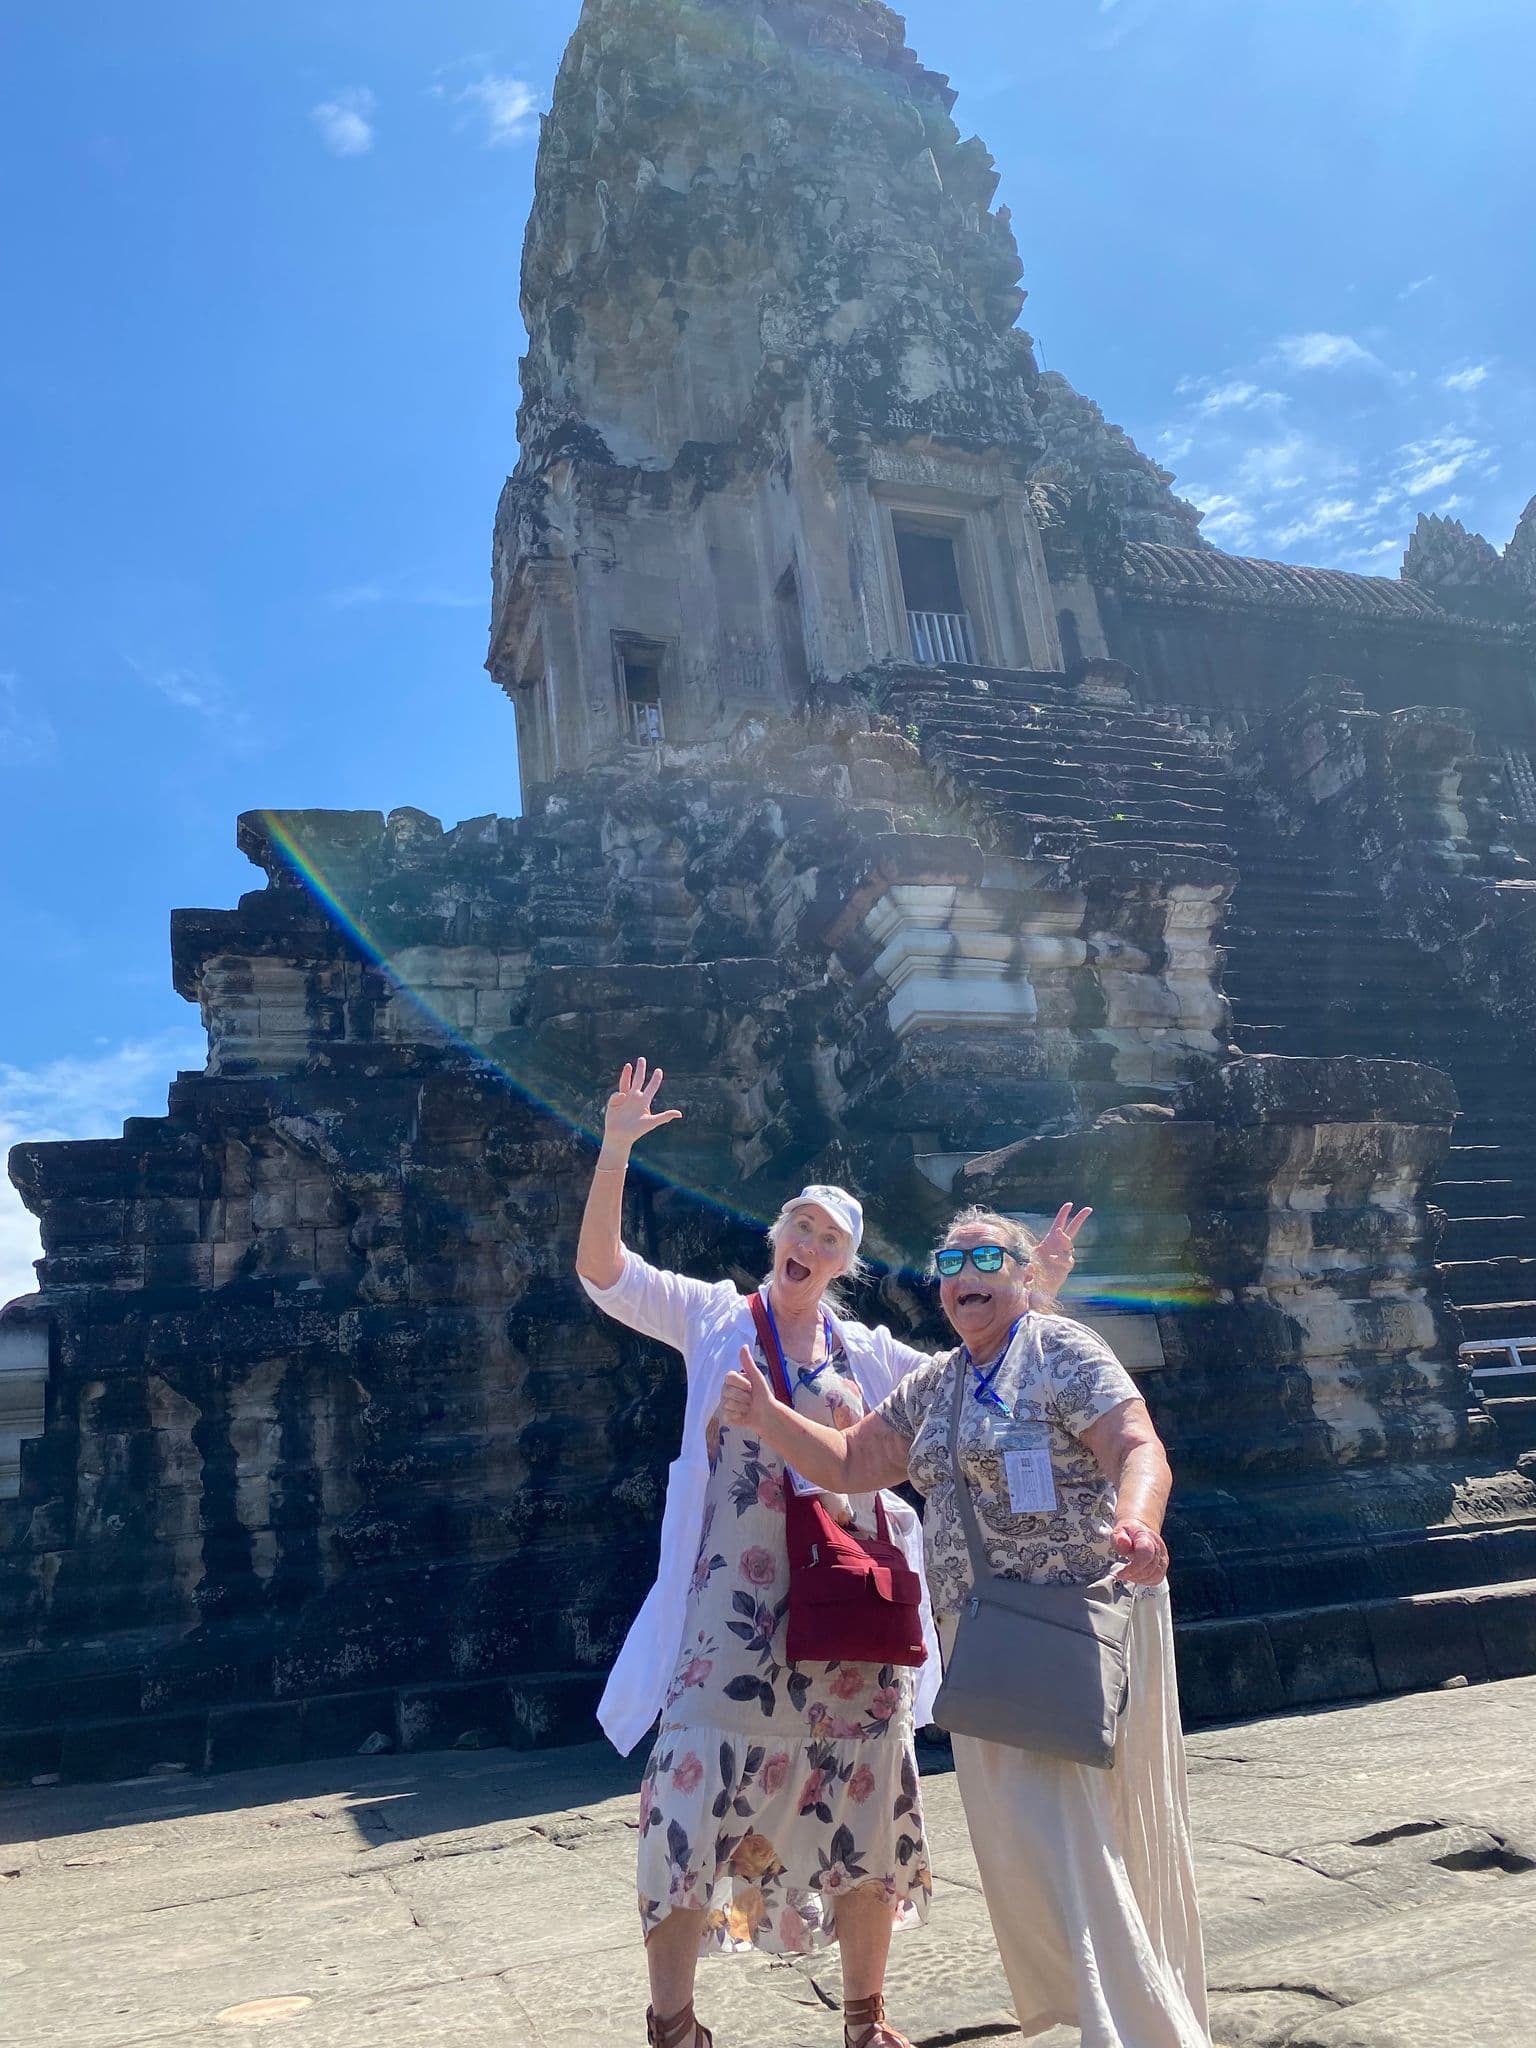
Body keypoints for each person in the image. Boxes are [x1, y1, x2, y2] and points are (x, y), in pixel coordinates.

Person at [576, 1060, 1085, 2048]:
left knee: (866, 1801)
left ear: (845, 1262)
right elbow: (606, 1271)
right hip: (731, 1617)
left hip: (848, 1615)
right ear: (778, 1238)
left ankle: (864, 2016)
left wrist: (1037, 1285)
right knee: (688, 1802)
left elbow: (981, 1375)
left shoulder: (866, 1351)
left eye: (831, 1237)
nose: (810, 1241)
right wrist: (615, 1148)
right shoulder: (716, 1317)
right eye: (800, 1226)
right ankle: (674, 2021)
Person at [721, 1207, 1210, 2048]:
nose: (963, 1274)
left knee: (1065, 1832)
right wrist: (767, 1417)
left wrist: (1139, 1524)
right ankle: (1114, 2010)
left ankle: (1138, 2032)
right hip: (980, 1641)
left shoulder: (1062, 1352)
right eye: (949, 1260)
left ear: (1023, 1276)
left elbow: (1137, 1444)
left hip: (1066, 1626)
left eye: (987, 1256)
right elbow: (849, 1462)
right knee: (1021, 1844)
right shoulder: (938, 1383)